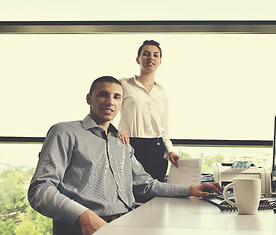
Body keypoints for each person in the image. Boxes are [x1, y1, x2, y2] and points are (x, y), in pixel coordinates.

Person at [28, 76, 221, 235]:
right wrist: (85, 217)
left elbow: (146, 185)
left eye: (116, 97)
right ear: (89, 98)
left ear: (121, 103)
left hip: (127, 225)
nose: (110, 101)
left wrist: (190, 189)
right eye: (103, 95)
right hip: (82, 228)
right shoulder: (65, 132)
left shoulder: (122, 142)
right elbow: (40, 189)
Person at [118, 40, 180, 184]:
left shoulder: (162, 93)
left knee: (155, 197)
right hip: (129, 146)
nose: (150, 58)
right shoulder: (124, 84)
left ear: (160, 62)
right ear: (137, 59)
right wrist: (115, 131)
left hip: (157, 150)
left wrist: (170, 150)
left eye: (155, 55)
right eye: (146, 54)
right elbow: (109, 109)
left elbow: (163, 128)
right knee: (128, 193)